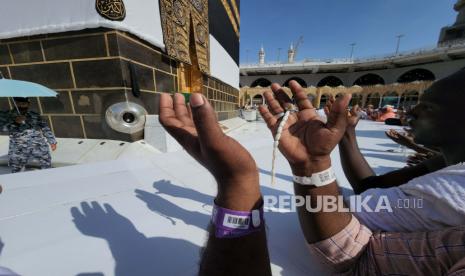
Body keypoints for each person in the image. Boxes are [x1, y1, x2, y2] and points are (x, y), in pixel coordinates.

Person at [0, 97, 57, 173]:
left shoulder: (34, 114)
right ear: (15, 103)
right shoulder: (7, 115)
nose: (21, 106)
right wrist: (15, 122)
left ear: (28, 104)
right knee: (17, 170)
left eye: (23, 104)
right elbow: (2, 128)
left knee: (46, 166)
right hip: (18, 148)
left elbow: (44, 127)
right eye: (18, 104)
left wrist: (52, 141)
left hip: (38, 145)